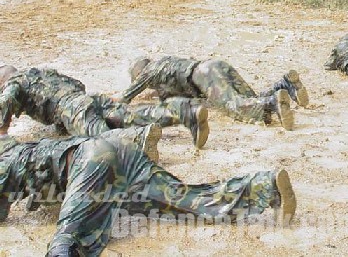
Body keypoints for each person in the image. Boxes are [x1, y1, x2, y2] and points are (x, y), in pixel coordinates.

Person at [0, 126, 296, 257]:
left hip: (89, 162)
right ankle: (264, 186)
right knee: (182, 199)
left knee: (67, 236)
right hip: (115, 151)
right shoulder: (15, 150)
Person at [0, 65, 209, 152]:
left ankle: (137, 144)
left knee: (105, 146)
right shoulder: (42, 72)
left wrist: (3, 132)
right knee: (132, 116)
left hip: (73, 110)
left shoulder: (13, 84)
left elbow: (5, 106)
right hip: (88, 99)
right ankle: (186, 113)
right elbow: (78, 84)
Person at [118, 56, 309, 131]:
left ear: (138, 73)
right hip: (214, 65)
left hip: (204, 76)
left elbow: (124, 98)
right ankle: (286, 84)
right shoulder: (164, 64)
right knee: (249, 98)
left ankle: (272, 103)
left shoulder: (147, 73)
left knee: (234, 107)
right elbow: (172, 95)